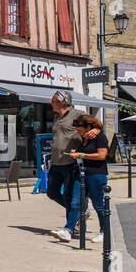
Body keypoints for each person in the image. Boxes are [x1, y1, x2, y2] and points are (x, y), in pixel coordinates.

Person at [46, 91, 85, 242]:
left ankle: (69, 228)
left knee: (69, 197)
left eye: (53, 100)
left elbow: (92, 126)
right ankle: (82, 212)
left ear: (62, 102)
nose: (51, 103)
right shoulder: (57, 117)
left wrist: (95, 130)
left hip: (70, 162)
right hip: (56, 162)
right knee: (52, 192)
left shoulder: (77, 114)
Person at [68, 114, 109, 244]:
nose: (78, 133)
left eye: (79, 130)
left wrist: (81, 154)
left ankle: (105, 231)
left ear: (88, 127)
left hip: (96, 174)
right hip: (81, 174)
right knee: (75, 203)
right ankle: (68, 230)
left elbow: (102, 155)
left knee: (99, 205)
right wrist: (77, 153)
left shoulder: (100, 137)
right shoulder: (85, 139)